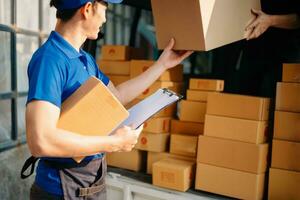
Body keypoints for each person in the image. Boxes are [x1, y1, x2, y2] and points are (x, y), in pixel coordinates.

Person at [21, 0, 193, 199]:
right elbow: (40, 141)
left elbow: (116, 96)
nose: (105, 18)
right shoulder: (50, 60)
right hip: (60, 191)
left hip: (90, 187)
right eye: (105, 9)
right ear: (87, 9)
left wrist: (162, 64)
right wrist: (114, 143)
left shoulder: (84, 59)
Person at [211, 0, 300, 98]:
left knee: (277, 102)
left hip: (284, 53)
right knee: (245, 100)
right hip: (252, 47)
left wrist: (270, 20)